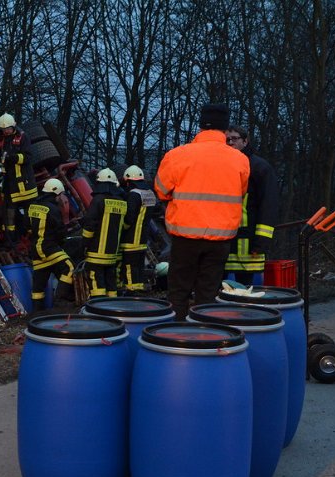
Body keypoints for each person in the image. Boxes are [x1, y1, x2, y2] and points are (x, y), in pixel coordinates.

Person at [154, 103, 250, 319]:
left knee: (178, 292)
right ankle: (205, 339)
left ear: (200, 126)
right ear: (225, 130)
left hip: (184, 237)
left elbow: (160, 190)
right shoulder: (240, 159)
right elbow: (241, 192)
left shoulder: (177, 155)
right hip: (220, 238)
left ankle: (174, 340)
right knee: (208, 293)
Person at [224, 125, 279, 285]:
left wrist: (261, 241)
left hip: (248, 245)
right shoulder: (222, 167)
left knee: (246, 292)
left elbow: (269, 206)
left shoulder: (259, 167)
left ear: (245, 141)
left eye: (234, 139)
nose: (229, 142)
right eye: (226, 139)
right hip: (223, 242)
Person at [27, 178, 76, 311]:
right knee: (70, 267)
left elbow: (29, 227)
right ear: (57, 193)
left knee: (38, 285)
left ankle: (37, 313)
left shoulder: (32, 206)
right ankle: (60, 300)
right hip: (49, 248)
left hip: (36, 250)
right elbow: (59, 231)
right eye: (61, 195)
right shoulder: (53, 209)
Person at [0, 113, 37, 246]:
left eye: (9, 129)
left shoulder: (23, 137)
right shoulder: (0, 140)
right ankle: (11, 240)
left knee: (30, 214)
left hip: (25, 184)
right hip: (9, 185)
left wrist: (14, 158)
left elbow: (28, 157)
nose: (6, 131)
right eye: (4, 130)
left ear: (14, 126)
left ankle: (32, 237)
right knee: (9, 216)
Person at [82, 168, 127, 298]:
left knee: (96, 281)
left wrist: (84, 244)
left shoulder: (98, 200)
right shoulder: (122, 202)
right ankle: (112, 307)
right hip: (112, 253)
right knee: (111, 283)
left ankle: (98, 307)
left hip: (96, 253)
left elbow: (90, 225)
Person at [119, 165, 157, 293]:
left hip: (131, 238)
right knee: (139, 266)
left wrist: (120, 229)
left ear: (129, 180)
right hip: (143, 238)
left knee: (129, 266)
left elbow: (129, 218)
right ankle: (140, 290)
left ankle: (131, 292)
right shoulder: (150, 193)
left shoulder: (134, 195)